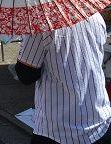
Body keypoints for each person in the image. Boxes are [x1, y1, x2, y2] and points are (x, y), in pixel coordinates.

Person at [15, 12, 111, 143]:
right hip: (99, 119)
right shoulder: (95, 16)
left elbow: (26, 75)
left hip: (58, 129)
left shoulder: (40, 24)